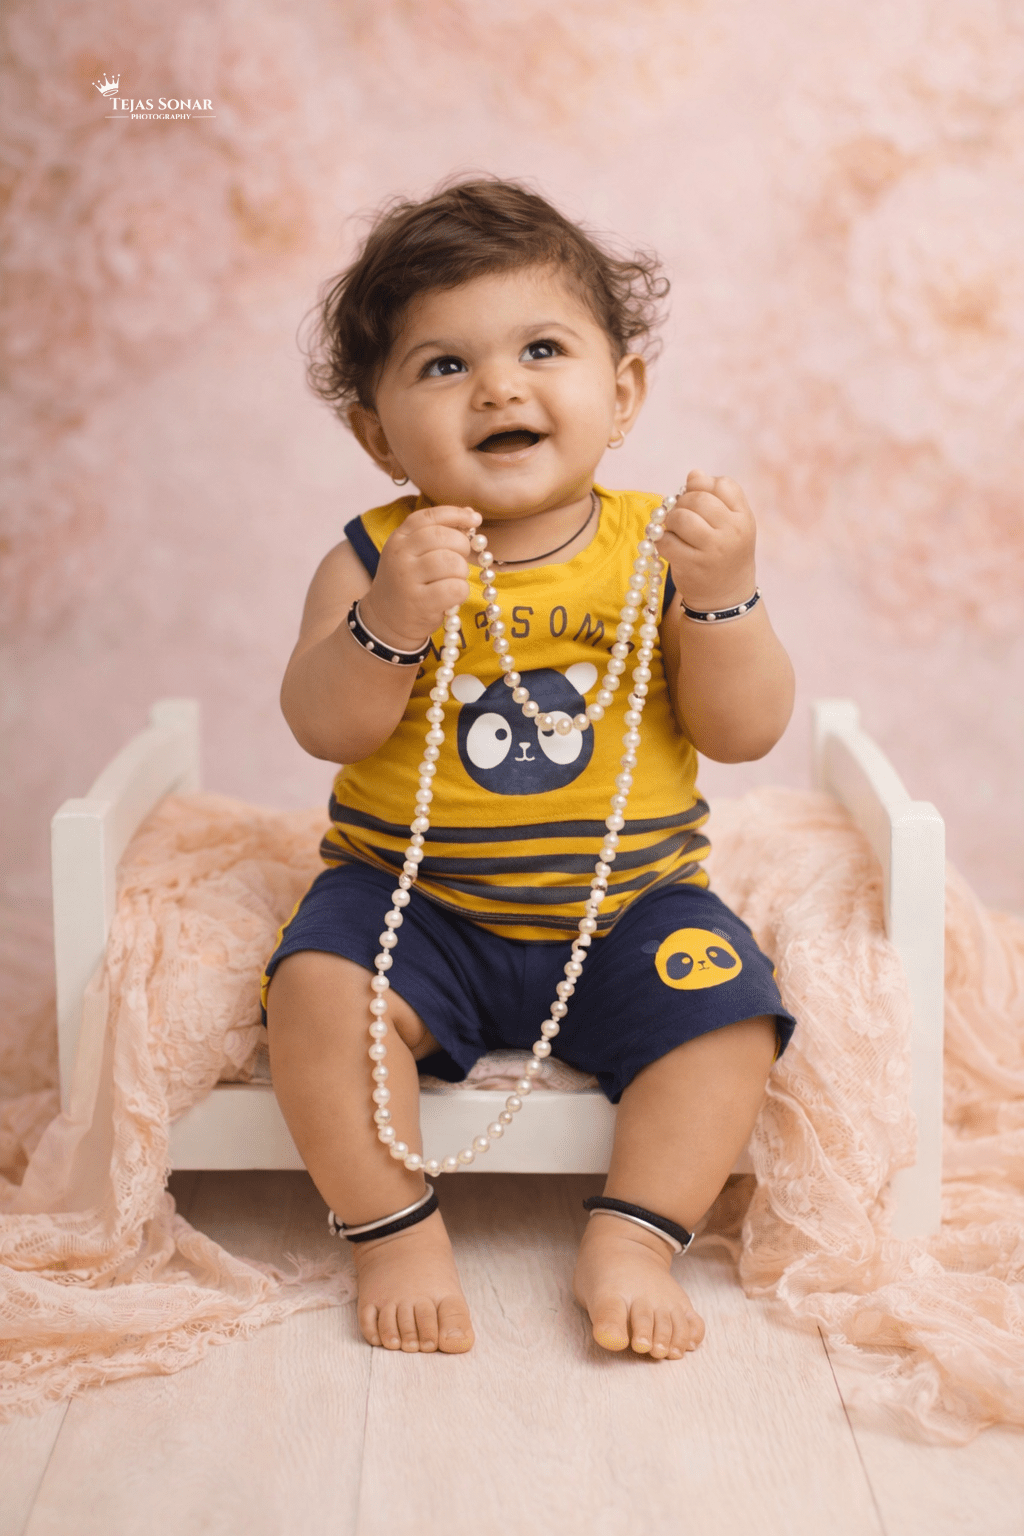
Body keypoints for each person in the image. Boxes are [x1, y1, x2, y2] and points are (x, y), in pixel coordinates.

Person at [262, 178, 796, 1360]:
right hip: (414, 903)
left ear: (622, 394)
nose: (498, 387)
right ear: (377, 435)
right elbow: (323, 725)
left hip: (629, 904)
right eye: (443, 365)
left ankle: (636, 1234)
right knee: (313, 995)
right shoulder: (373, 558)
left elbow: (746, 730)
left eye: (540, 350)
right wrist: (387, 626)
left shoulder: (658, 550)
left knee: (732, 1019)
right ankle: (393, 1227)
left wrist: (722, 598)